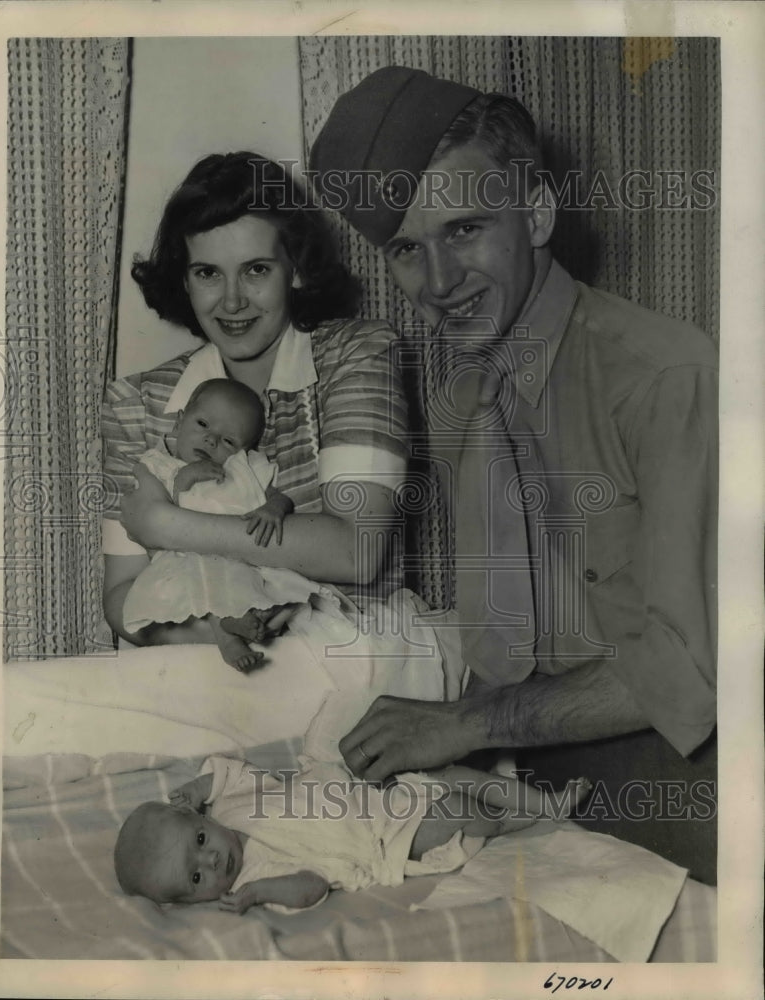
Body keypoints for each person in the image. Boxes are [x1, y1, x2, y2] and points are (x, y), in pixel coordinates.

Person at [310, 67, 718, 879]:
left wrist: (460, 726)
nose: (436, 286)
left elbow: (689, 673)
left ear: (535, 212)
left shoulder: (663, 376)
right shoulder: (459, 390)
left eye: (463, 230)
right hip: (519, 754)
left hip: (675, 758)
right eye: (404, 250)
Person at [102, 152, 410, 654]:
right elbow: (121, 599)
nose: (231, 301)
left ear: (296, 269)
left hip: (353, 660)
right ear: (184, 279)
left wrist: (168, 525)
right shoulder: (136, 402)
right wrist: (229, 634)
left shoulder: (357, 355)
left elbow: (359, 550)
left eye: (256, 270)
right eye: (207, 273)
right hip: (202, 661)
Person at [113, 753, 590, 909]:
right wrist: (260, 894)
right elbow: (313, 886)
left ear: (201, 819)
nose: (212, 861)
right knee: (468, 812)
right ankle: (524, 815)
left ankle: (543, 802)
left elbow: (225, 773)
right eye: (196, 878)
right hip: (382, 840)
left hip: (375, 798)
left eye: (199, 842)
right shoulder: (253, 877)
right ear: (196, 899)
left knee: (454, 776)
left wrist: (197, 788)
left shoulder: (228, 804)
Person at [121, 377, 342, 671]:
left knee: (269, 587)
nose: (211, 440)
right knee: (204, 578)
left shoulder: (245, 468)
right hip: (186, 557)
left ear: (243, 451)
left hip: (244, 556)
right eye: (202, 425)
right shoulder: (159, 465)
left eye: (228, 441)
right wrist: (184, 477)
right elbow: (159, 512)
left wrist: (272, 509)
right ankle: (228, 634)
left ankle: (255, 620)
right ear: (179, 422)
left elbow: (279, 497)